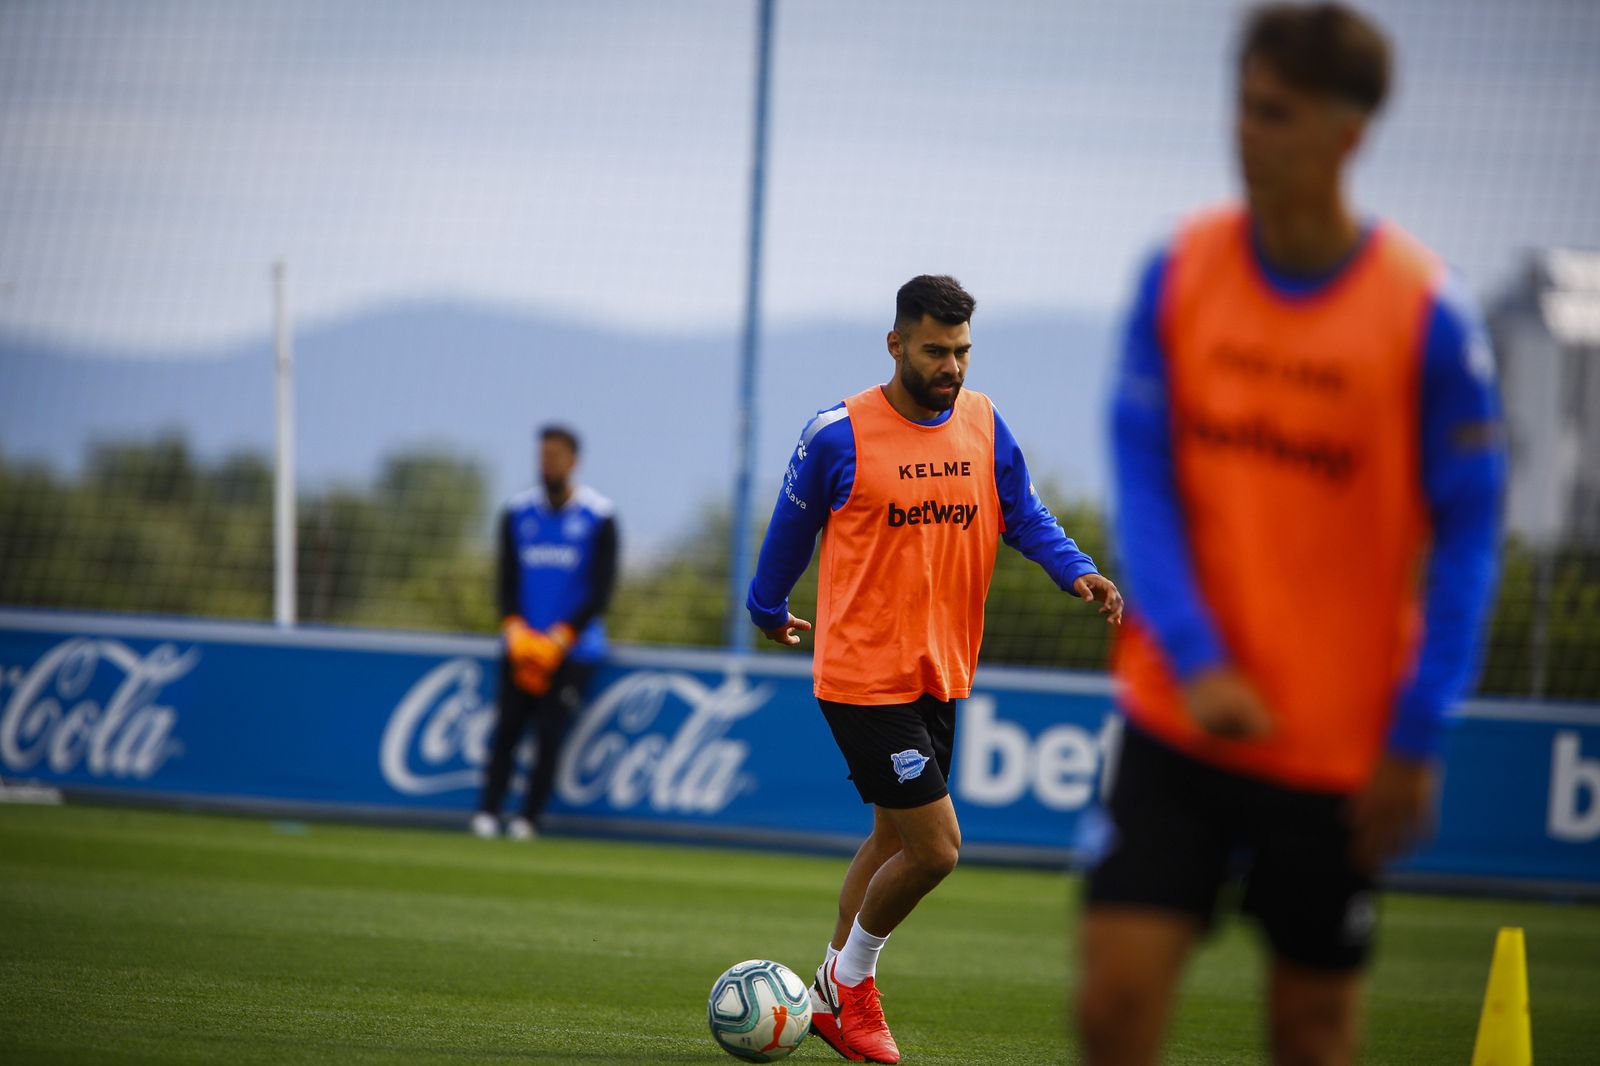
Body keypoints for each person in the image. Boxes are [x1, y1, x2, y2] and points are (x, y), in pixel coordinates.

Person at [1078, 5, 1506, 1064]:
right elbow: (1143, 482)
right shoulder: (1177, 273)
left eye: (1275, 114)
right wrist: (1196, 653)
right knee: (1112, 1006)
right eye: (1242, 105)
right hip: (1182, 717)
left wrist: (1417, 731)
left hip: (1335, 747)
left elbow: (1469, 536)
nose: (1246, 134)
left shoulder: (1426, 319)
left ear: (1347, 132)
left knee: (1310, 1031)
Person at [748, 274, 1124, 1064]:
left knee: (892, 837)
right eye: (934, 351)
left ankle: (822, 997)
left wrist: (1074, 568)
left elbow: (1022, 511)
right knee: (936, 848)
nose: (950, 367)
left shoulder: (984, 423)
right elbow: (790, 528)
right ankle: (853, 989)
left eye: (961, 351)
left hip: (940, 672)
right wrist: (766, 609)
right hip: (861, 675)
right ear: (895, 344)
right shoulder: (838, 433)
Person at [472, 425, 618, 841]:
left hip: (573, 651)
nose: (547, 463)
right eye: (542, 455)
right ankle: (487, 812)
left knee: (550, 735)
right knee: (507, 730)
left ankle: (528, 820)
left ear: (573, 462)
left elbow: (601, 588)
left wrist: (561, 635)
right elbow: (506, 579)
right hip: (521, 645)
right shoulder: (517, 513)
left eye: (555, 456)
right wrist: (515, 627)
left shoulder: (599, 515)